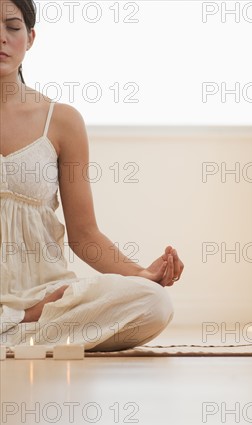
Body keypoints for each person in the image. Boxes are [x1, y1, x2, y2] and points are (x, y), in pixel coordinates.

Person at [0, 0, 184, 351]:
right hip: (31, 316)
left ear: (31, 37)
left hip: (47, 302)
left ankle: (20, 329)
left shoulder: (62, 121)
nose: (1, 39)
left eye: (12, 26)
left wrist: (143, 276)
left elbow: (84, 234)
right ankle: (18, 328)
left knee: (152, 303)